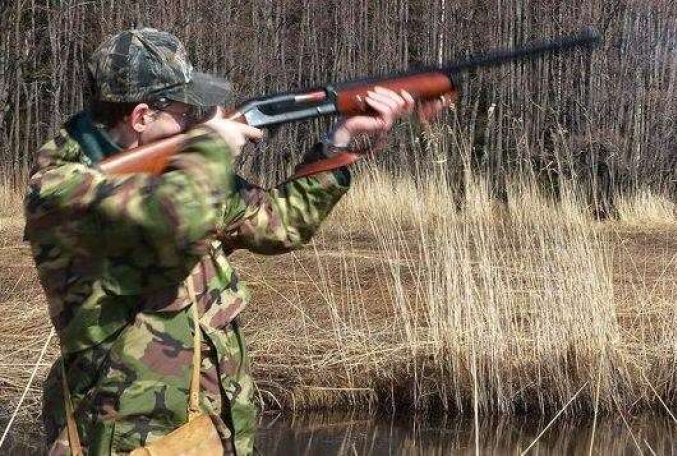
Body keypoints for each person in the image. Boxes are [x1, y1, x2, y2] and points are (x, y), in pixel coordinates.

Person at [24, 28, 447, 455]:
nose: (200, 116)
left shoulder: (180, 174)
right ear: (141, 117)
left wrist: (339, 140)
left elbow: (278, 225)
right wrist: (212, 149)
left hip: (208, 435)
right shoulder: (64, 190)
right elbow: (174, 222)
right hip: (125, 440)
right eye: (185, 109)